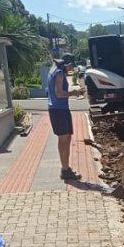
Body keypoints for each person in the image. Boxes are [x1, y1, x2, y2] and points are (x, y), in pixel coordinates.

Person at [47, 53, 85, 181]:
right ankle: (65, 169)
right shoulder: (59, 73)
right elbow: (59, 94)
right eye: (71, 66)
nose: (72, 68)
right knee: (64, 138)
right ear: (67, 64)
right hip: (58, 110)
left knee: (66, 137)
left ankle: (66, 168)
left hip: (60, 109)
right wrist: (75, 92)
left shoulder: (53, 71)